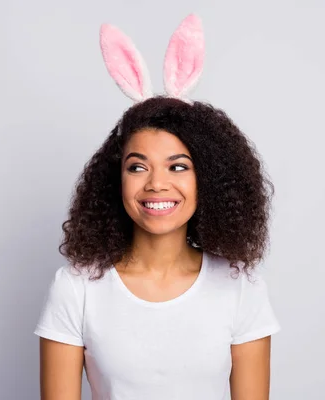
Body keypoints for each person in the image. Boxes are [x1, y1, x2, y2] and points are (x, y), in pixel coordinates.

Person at [34, 13, 281, 400]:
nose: (156, 184)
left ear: (209, 179)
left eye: (178, 166)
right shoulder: (76, 288)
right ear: (116, 178)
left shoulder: (239, 288)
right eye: (137, 166)